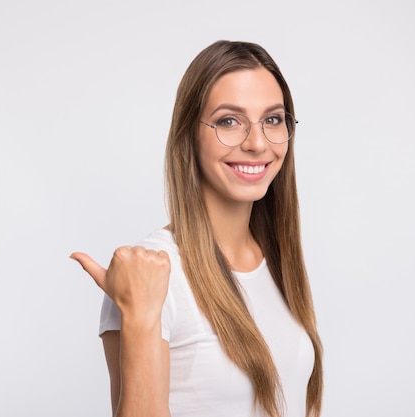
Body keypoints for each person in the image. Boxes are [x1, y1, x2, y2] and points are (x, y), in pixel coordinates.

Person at [71, 40, 323, 417]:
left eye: (272, 119)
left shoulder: (278, 259)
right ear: (190, 134)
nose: (257, 143)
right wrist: (140, 315)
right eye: (228, 121)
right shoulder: (151, 274)